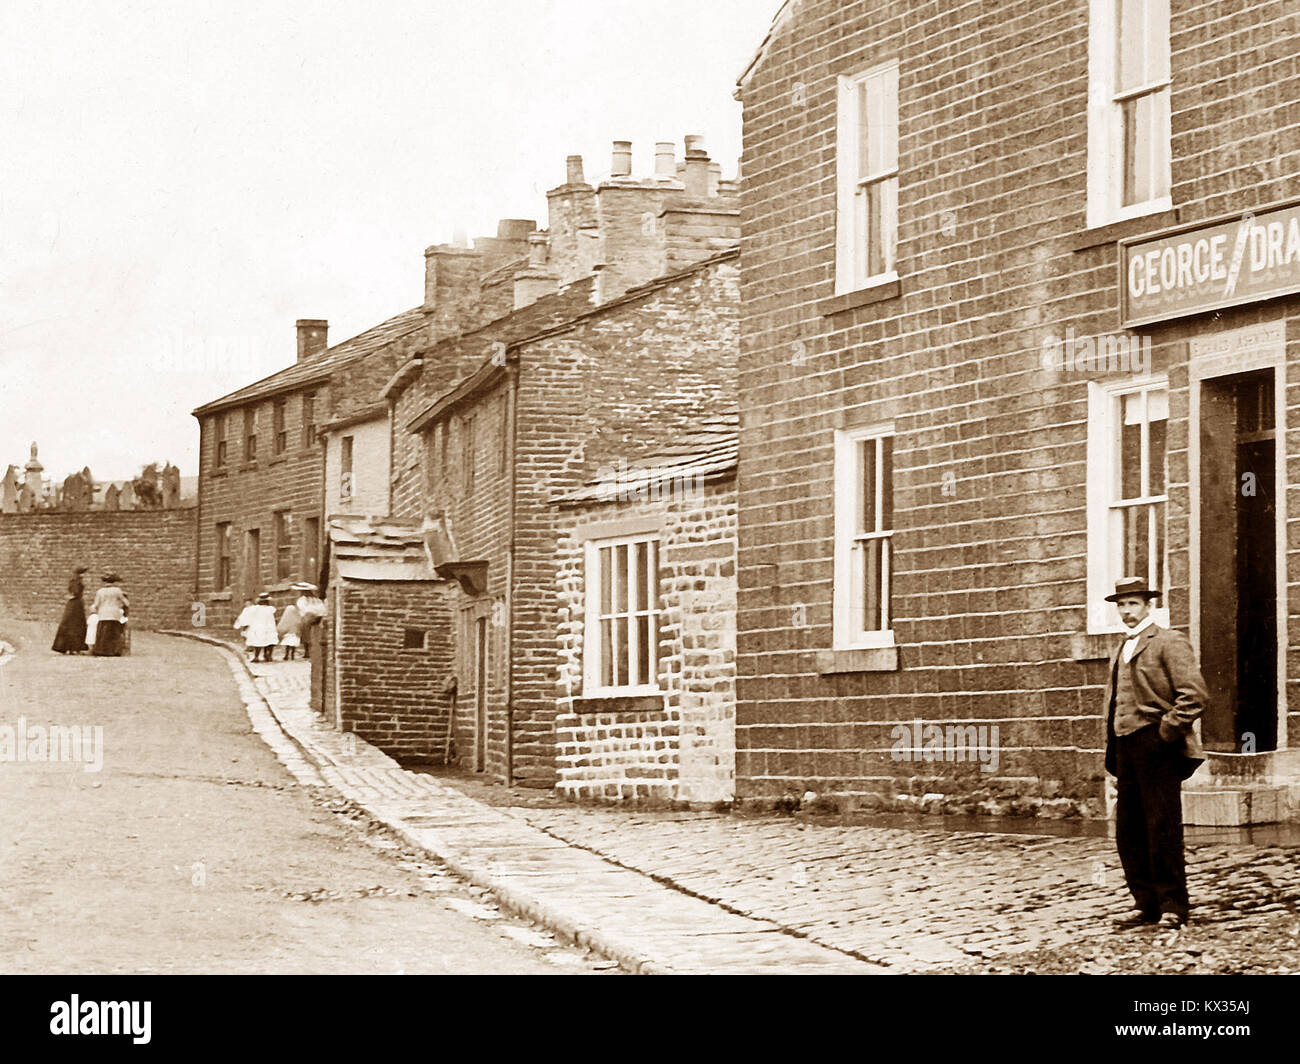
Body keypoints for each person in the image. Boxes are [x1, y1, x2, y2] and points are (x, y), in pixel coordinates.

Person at [1103, 576, 1208, 929]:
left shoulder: (1169, 641)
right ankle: (1144, 901)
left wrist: (1166, 732)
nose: (1127, 611)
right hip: (1125, 745)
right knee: (1128, 828)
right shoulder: (1122, 647)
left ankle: (1172, 905)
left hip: (1156, 744)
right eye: (1122, 605)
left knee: (1162, 825)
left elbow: (1193, 695)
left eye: (1133, 603)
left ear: (1149, 606)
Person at [52, 565, 90, 653]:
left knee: (72, 626)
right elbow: (76, 592)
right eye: (82, 573)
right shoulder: (77, 581)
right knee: (75, 626)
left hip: (74, 604)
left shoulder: (74, 580)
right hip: (76, 605)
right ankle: (74, 648)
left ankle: (70, 647)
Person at [90, 573, 129, 657]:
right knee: (113, 632)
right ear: (114, 582)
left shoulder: (100, 591)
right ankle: (113, 650)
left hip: (103, 613)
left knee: (102, 632)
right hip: (114, 614)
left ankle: (101, 650)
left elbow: (96, 604)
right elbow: (126, 602)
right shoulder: (117, 591)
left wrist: (93, 610)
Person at [235, 593, 278, 663]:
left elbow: (246, 614)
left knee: (258, 642)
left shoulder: (255, 608)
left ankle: (257, 656)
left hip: (259, 627)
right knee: (269, 641)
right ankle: (268, 655)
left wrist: (242, 624)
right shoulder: (270, 609)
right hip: (269, 626)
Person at [293, 583, 326, 659]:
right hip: (318, 617)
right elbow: (322, 609)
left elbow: (303, 609)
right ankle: (310, 650)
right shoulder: (317, 599)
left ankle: (307, 651)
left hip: (309, 617)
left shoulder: (302, 600)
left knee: (305, 633)